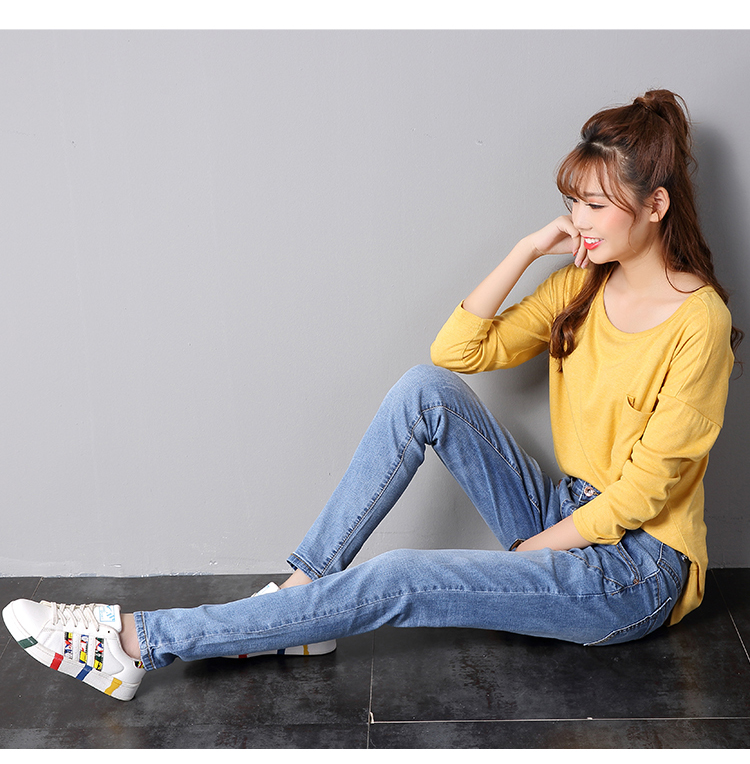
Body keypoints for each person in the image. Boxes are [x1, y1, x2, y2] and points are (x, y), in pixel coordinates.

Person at [3, 89, 742, 702]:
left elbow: (646, 492)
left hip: (632, 572)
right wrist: (526, 250)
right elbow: (456, 353)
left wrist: (533, 554)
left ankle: (136, 643)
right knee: (425, 390)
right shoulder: (583, 286)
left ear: (655, 206)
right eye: (572, 203)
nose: (578, 222)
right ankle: (298, 600)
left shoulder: (699, 322)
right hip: (567, 514)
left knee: (398, 578)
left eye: (596, 206)